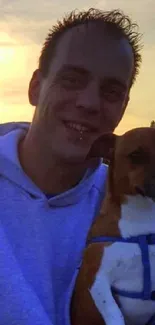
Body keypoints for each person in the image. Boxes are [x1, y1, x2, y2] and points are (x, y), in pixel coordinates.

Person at [0, 8, 142, 325]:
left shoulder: (138, 214)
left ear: (123, 107)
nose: (89, 102)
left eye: (111, 91)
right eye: (72, 79)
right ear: (36, 86)